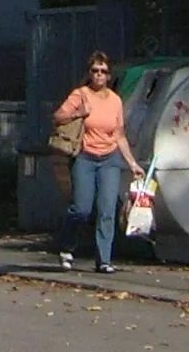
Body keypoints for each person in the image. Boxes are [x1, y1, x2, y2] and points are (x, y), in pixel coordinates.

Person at [50, 50, 142, 272]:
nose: (99, 75)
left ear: (109, 75)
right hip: (85, 157)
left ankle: (104, 260)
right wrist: (78, 113)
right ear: (89, 73)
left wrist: (132, 163)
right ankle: (66, 246)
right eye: (95, 70)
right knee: (82, 208)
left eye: (104, 71)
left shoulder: (115, 101)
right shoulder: (80, 94)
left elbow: (119, 135)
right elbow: (57, 117)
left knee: (107, 210)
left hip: (109, 159)